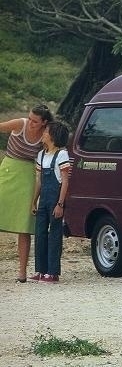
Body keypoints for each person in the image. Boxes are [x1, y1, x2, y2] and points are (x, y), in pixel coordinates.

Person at [0, 105, 54, 282]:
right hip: (8, 172)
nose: (31, 123)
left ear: (44, 122)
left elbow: (55, 150)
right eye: (30, 118)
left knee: (24, 226)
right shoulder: (19, 124)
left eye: (35, 121)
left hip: (29, 178)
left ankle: (22, 273)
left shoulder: (46, 134)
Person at [30, 121, 70, 283]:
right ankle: (41, 270)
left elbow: (65, 181)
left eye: (46, 131)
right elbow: (39, 181)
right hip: (43, 200)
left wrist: (60, 204)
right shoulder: (41, 155)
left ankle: (53, 272)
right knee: (40, 234)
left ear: (53, 136)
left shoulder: (61, 155)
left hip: (55, 199)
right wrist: (34, 201)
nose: (43, 133)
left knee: (54, 234)